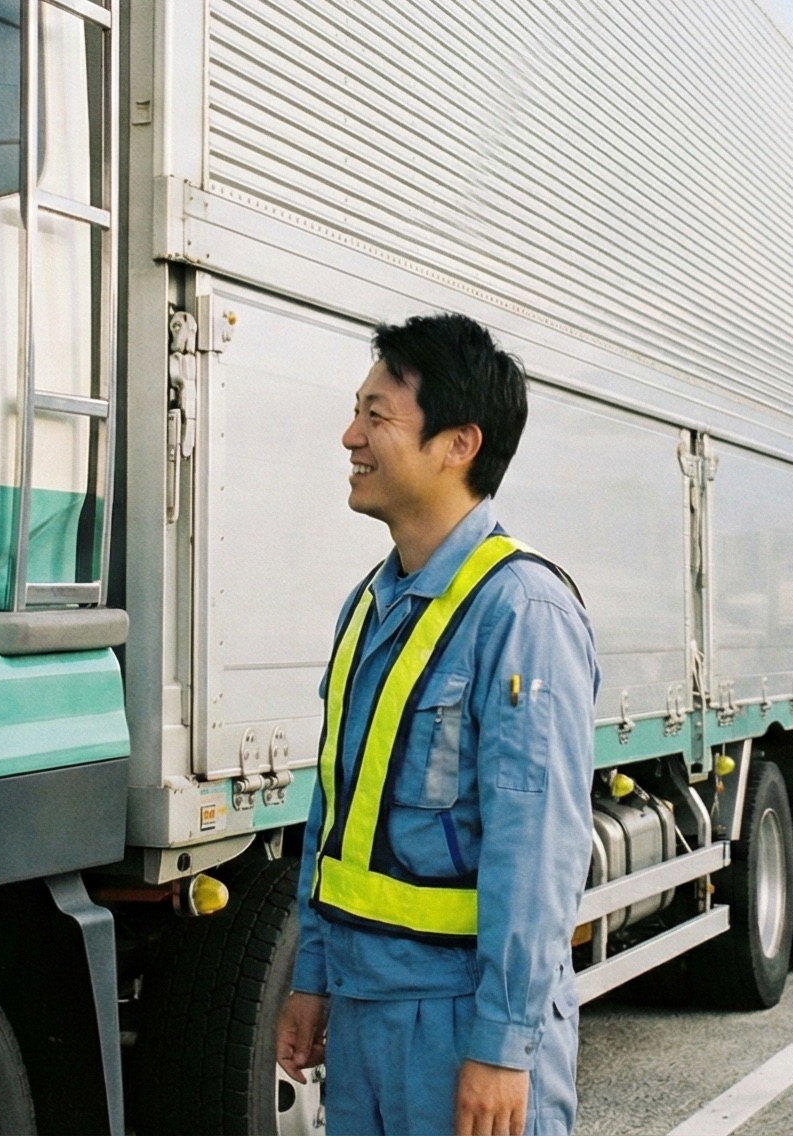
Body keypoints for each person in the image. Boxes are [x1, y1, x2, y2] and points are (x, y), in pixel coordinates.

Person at [276, 314, 600, 1136]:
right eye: (355, 411)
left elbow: (537, 850)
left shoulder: (521, 611)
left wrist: (502, 1045)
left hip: (459, 1021)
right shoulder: (370, 605)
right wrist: (313, 976)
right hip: (363, 1010)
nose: (350, 436)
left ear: (458, 444)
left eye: (376, 416)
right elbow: (335, 817)